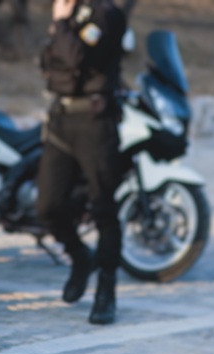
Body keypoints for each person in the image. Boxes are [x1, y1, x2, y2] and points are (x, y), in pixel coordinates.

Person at [35, 0, 126, 325]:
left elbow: (75, 57)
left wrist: (60, 25)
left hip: (94, 122)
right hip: (61, 121)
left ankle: (106, 289)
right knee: (48, 205)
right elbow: (47, 62)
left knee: (103, 208)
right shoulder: (68, 13)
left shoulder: (105, 13)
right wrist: (62, 28)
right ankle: (79, 256)